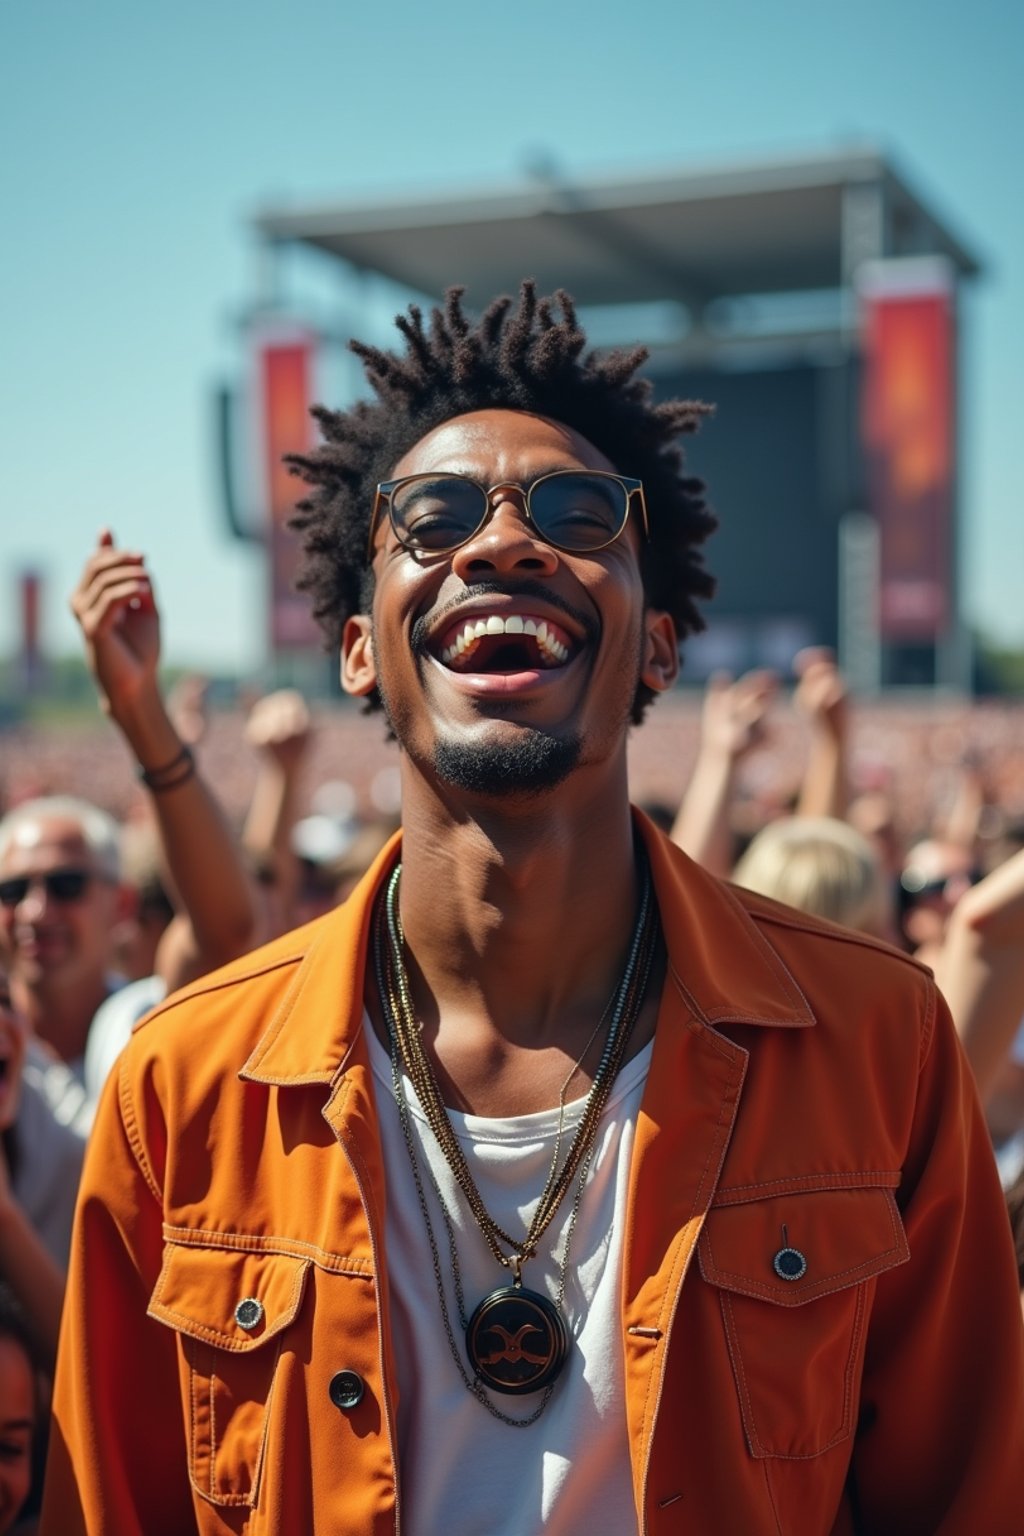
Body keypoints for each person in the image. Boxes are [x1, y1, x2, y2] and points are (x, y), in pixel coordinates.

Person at [43, 284, 1024, 1534]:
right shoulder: (182, 1090)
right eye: (434, 516)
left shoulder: (875, 1043)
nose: (502, 544)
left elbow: (966, 1502)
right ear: (356, 649)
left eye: (575, 516)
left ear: (659, 648)